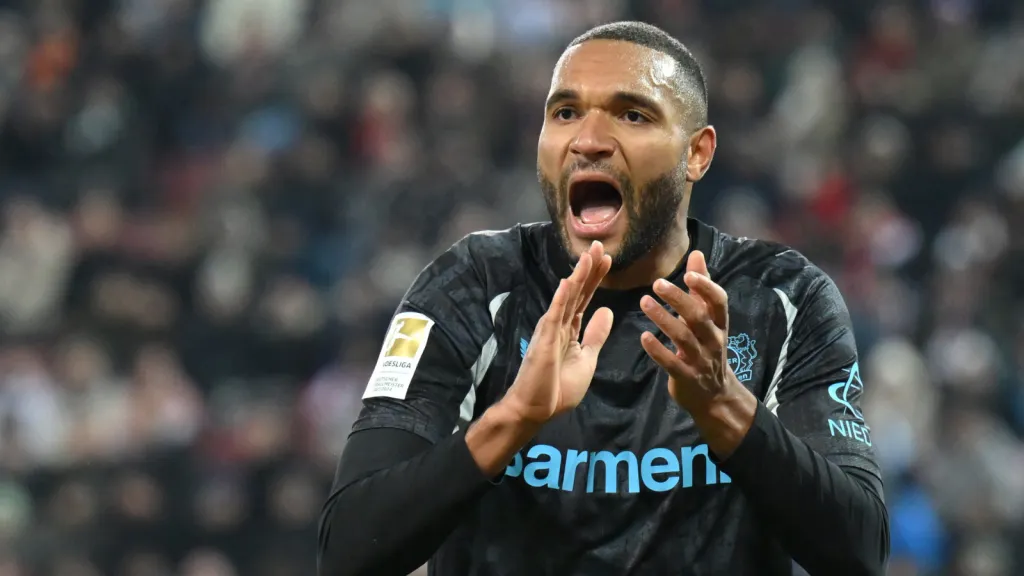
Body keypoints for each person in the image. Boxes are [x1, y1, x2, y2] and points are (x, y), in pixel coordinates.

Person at [317, 21, 889, 576]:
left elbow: (860, 552)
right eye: (565, 112)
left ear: (697, 154)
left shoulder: (782, 298)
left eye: (633, 115)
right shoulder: (471, 287)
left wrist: (724, 407)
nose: (587, 141)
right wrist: (512, 418)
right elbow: (347, 551)